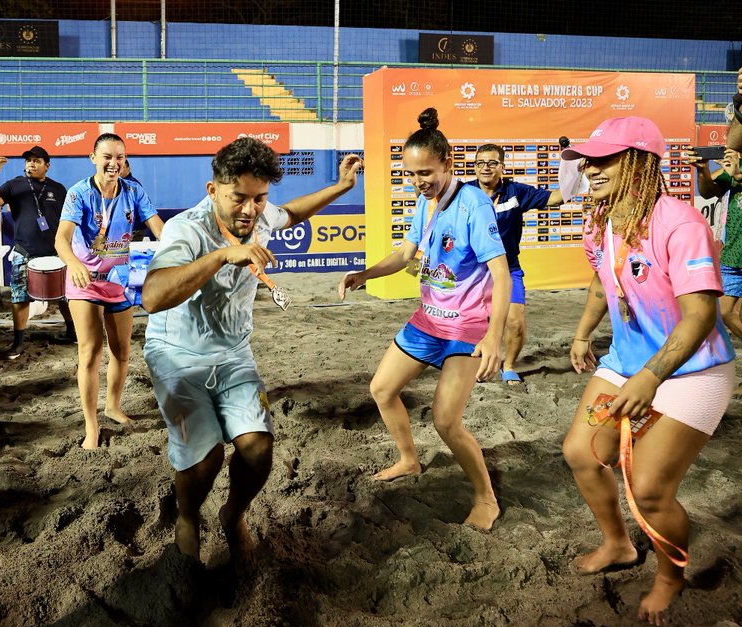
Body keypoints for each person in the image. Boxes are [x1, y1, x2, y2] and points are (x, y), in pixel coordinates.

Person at [142, 138, 362, 562]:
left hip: (233, 351)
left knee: (259, 447)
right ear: (213, 191)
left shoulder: (260, 216)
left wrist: (342, 187)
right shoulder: (185, 229)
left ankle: (233, 513)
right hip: (177, 354)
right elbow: (152, 297)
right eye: (238, 198)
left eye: (259, 198)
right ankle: (188, 518)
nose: (249, 209)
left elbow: (293, 211)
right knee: (205, 459)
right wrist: (224, 255)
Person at [560, 116, 736, 626]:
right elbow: (602, 285)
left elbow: (702, 315)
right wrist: (581, 334)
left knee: (650, 491)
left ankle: (670, 577)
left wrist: (652, 377)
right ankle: (618, 544)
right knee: (581, 452)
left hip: (694, 368)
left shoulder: (680, 223)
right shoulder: (601, 220)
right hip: (629, 360)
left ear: (639, 162)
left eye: (604, 159)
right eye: (588, 160)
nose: (590, 169)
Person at [338, 108, 509, 530]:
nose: (418, 181)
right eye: (411, 174)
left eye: (426, 172)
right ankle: (409, 460)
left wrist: (493, 337)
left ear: (448, 161)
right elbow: (404, 255)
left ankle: (486, 499)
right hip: (429, 321)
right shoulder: (424, 202)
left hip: (467, 328)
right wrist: (364, 274)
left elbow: (502, 275)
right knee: (381, 388)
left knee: (446, 420)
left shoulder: (474, 205)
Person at [56, 133, 164, 448]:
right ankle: (91, 427)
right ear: (93, 158)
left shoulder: (134, 191)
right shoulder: (78, 194)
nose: (113, 163)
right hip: (85, 279)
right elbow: (61, 238)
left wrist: (180, 245)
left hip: (121, 276)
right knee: (90, 352)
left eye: (119, 157)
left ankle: (113, 406)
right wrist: (73, 264)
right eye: (107, 156)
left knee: (122, 351)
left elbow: (158, 227)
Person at [467, 142, 570, 384]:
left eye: (492, 163)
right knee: (469, 323)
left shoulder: (516, 192)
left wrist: (570, 167)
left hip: (508, 268)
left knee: (515, 321)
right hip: (472, 271)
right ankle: (471, 363)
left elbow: (558, 198)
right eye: (480, 163)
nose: (486, 168)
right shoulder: (465, 192)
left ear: (502, 166)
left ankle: (509, 365)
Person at [0, 145, 75, 356]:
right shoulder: (14, 185)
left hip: (55, 252)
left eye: (36, 161)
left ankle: (72, 331)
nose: (31, 164)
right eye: (29, 160)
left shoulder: (59, 189)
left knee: (66, 296)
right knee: (19, 297)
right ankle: (18, 342)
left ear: (47, 165)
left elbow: (69, 218)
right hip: (24, 250)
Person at [687, 145, 742, 342]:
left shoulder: (736, 170)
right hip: (733, 256)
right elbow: (709, 192)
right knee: (726, 313)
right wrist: (703, 170)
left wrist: (738, 175)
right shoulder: (734, 167)